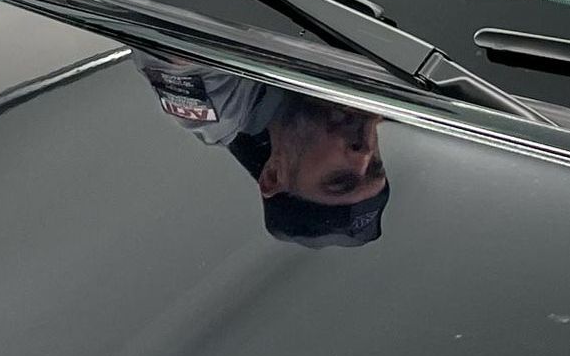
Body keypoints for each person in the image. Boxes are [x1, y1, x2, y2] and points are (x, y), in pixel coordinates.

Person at [135, 52, 390, 249]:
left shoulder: (215, 105)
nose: (364, 153)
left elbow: (181, 35)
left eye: (340, 180)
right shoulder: (380, 94)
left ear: (274, 175)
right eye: (375, 166)